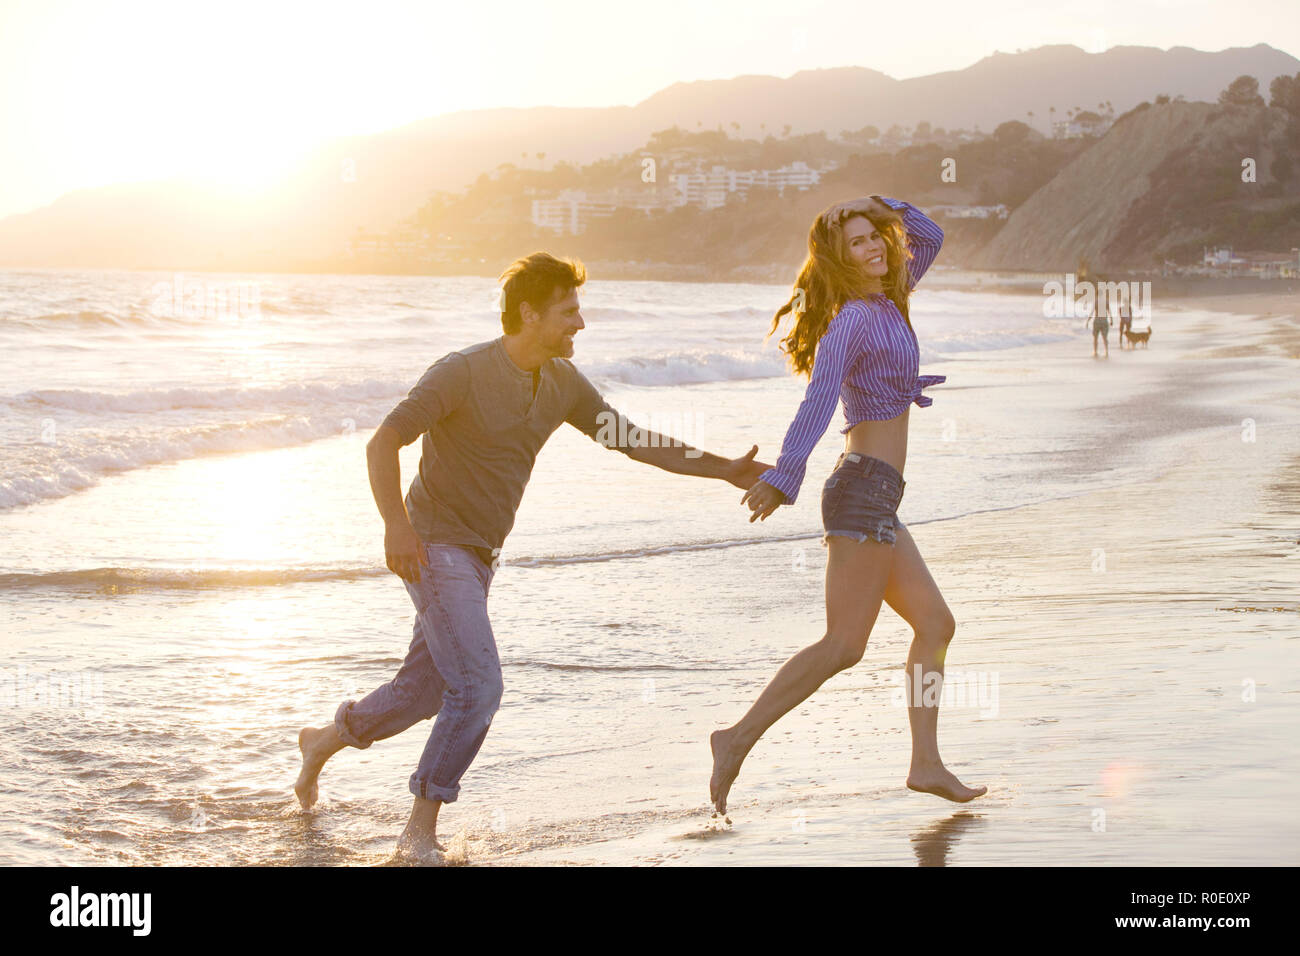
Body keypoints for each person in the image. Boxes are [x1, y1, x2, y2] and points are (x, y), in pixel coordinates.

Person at [293, 252, 773, 859]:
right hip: (433, 545)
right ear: (529, 313)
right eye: (569, 312)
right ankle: (419, 831)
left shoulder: (561, 383)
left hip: (480, 558)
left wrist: (723, 469)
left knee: (421, 693)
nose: (581, 324)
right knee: (479, 687)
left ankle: (322, 741)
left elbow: (630, 440)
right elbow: (384, 439)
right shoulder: (461, 372)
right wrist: (395, 525)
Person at [709, 195, 986, 813]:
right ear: (838, 259)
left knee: (936, 625)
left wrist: (877, 204)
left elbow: (931, 234)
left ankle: (925, 763)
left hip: (880, 494)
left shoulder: (890, 300)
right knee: (844, 644)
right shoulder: (852, 319)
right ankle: (735, 738)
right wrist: (784, 474)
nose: (874, 247)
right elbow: (818, 398)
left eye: (875, 238)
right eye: (857, 242)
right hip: (860, 490)